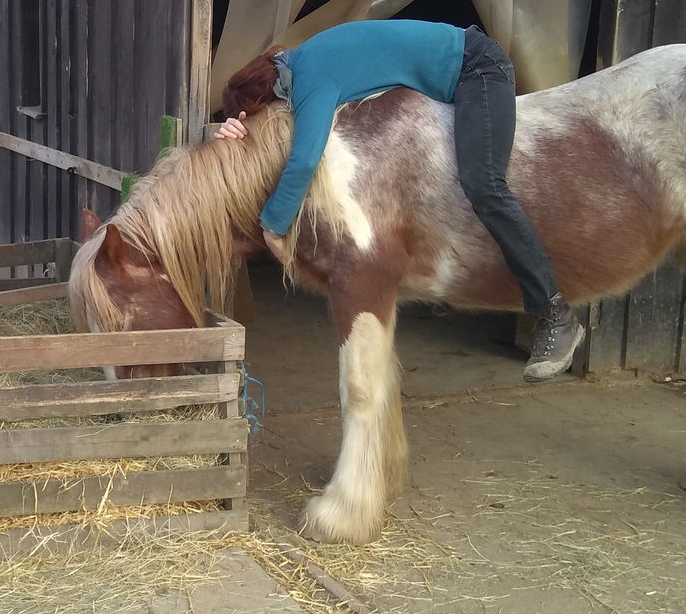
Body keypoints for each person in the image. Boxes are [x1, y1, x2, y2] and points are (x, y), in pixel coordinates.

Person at [216, 19, 584, 383]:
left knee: (484, 185)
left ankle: (555, 313)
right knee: (438, 183)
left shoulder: (311, 79)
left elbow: (304, 159)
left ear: (265, 102)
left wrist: (273, 225)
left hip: (477, 68)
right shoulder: (303, 61)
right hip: (452, 75)